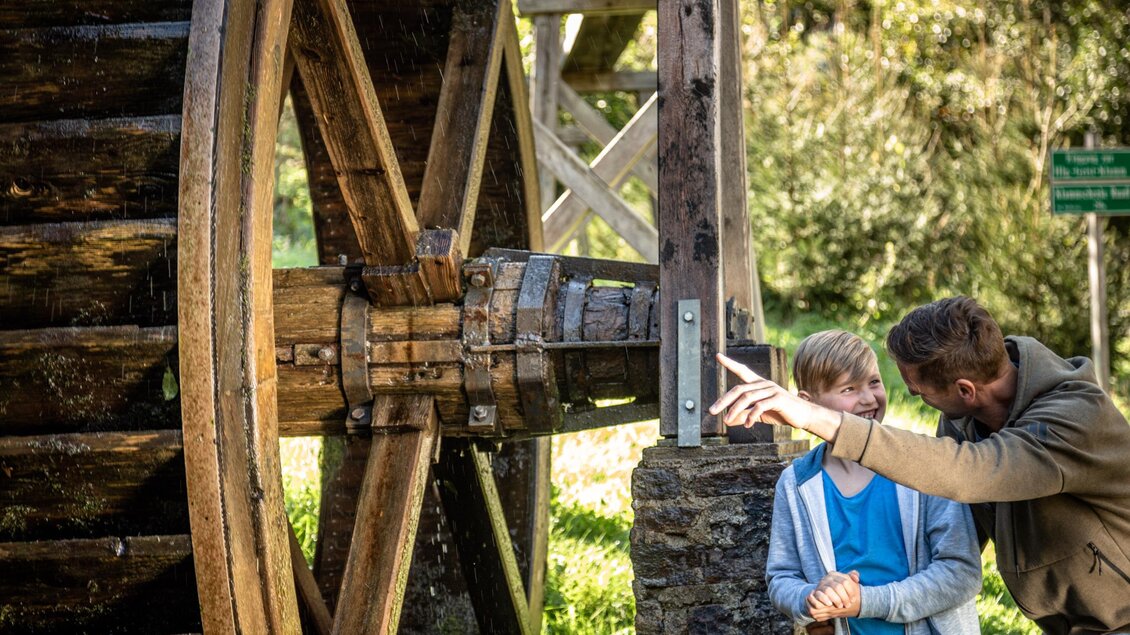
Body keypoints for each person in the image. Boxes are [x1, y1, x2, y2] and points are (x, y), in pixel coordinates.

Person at [712, 296, 1130, 634]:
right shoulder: (965, 417)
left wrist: (810, 418)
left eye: (920, 393)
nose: (904, 398)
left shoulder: (1076, 420)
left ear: (965, 389)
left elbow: (968, 473)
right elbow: (955, 538)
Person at [766, 329, 981, 635]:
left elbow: (961, 573)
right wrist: (810, 598)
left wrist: (865, 601)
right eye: (849, 389)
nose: (868, 398)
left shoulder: (924, 463)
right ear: (807, 403)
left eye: (874, 382)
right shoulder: (795, 484)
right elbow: (781, 577)